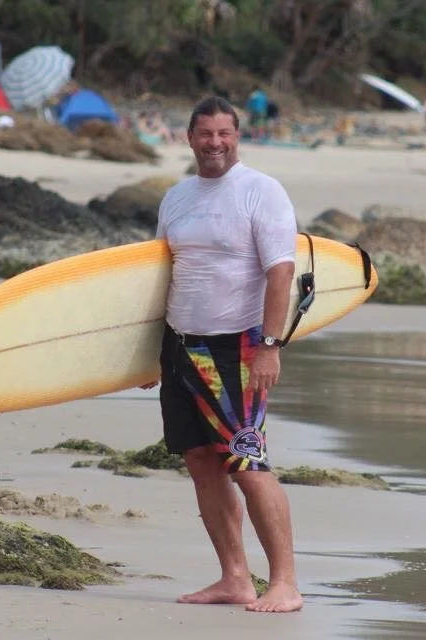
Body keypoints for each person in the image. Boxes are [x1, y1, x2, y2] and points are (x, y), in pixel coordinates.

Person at [145, 96, 303, 613]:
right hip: (180, 346)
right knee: (200, 463)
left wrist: (270, 347)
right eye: (205, 133)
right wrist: (147, 355)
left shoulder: (261, 192)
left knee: (247, 460)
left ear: (238, 137)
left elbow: (282, 273)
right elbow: (159, 279)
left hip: (238, 346)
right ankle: (235, 577)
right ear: (189, 138)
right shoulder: (177, 197)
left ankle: (285, 583)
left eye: (225, 133)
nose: (215, 142)